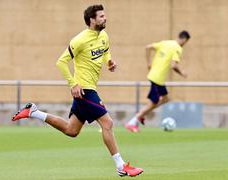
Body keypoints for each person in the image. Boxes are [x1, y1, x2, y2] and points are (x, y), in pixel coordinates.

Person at [12, 4, 143, 177]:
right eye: (101, 16)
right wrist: (73, 84)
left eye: (105, 15)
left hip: (89, 88)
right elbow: (61, 61)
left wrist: (109, 61)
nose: (105, 18)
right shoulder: (79, 40)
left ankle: (33, 112)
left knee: (71, 130)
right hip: (84, 90)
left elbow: (105, 51)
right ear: (92, 20)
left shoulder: (103, 35)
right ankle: (121, 166)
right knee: (108, 123)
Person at [126, 31, 191, 132]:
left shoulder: (165, 42)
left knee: (165, 99)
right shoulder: (178, 48)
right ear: (184, 40)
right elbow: (174, 65)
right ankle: (133, 122)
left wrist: (148, 63)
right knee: (153, 103)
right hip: (157, 78)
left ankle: (142, 115)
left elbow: (147, 47)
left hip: (157, 78)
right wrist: (182, 73)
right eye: (186, 42)